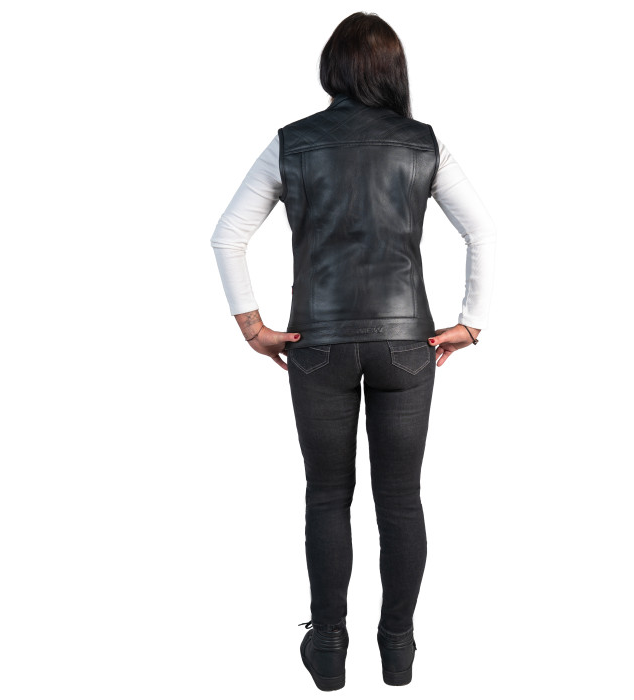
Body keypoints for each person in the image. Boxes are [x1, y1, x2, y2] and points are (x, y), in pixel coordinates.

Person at [210, 12, 496, 691]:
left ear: (331, 69)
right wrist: (471, 323)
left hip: (317, 345)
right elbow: (483, 231)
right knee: (400, 499)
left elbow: (227, 236)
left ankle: (330, 645)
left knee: (327, 496)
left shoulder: (293, 143)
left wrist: (253, 327)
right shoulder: (424, 144)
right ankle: (397, 648)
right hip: (406, 345)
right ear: (394, 70)